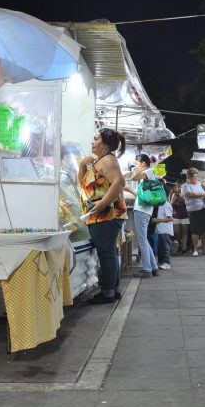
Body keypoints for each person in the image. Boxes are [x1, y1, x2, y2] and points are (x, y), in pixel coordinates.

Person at [78, 128, 128, 304]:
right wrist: (82, 166)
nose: (92, 142)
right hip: (101, 215)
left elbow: (119, 182)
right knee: (109, 252)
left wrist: (103, 203)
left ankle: (107, 292)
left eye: (96, 139)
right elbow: (83, 185)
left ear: (105, 145)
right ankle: (113, 289)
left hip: (107, 214)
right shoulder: (99, 161)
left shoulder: (108, 160)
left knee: (106, 252)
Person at [126, 154, 159, 278]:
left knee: (142, 241)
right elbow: (140, 196)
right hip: (144, 210)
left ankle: (147, 270)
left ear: (143, 163)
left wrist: (133, 171)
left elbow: (134, 177)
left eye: (137, 163)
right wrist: (129, 189)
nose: (136, 166)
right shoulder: (148, 175)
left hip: (142, 211)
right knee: (144, 240)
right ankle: (153, 267)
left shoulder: (149, 171)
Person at [182, 167, 205, 256]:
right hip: (193, 210)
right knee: (195, 230)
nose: (195, 178)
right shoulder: (185, 186)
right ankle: (195, 250)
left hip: (204, 208)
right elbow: (190, 194)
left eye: (196, 176)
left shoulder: (200, 184)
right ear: (188, 177)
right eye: (193, 177)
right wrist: (203, 195)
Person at [152, 196, 174, 270]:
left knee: (165, 246)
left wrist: (157, 220)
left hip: (165, 230)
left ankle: (166, 263)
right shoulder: (161, 205)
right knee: (161, 247)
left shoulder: (166, 205)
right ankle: (161, 262)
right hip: (161, 230)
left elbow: (170, 218)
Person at [170, 182, 190, 254]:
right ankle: (180, 244)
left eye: (181, 187)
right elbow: (171, 204)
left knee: (185, 232)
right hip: (176, 216)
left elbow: (188, 204)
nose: (179, 189)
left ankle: (184, 248)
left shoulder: (186, 194)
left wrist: (182, 198)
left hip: (185, 216)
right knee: (176, 232)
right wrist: (176, 197)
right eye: (178, 187)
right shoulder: (174, 194)